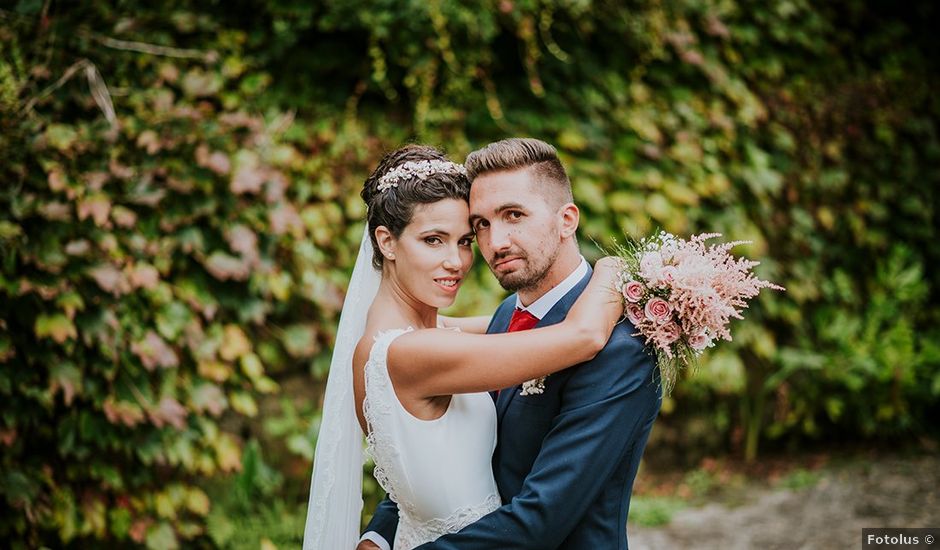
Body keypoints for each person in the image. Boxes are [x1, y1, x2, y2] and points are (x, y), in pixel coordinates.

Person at [302, 144, 626, 550]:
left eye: (464, 240)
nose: (456, 261)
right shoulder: (413, 353)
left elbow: (511, 326)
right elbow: (584, 335)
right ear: (386, 242)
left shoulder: (417, 336)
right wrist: (617, 269)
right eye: (433, 240)